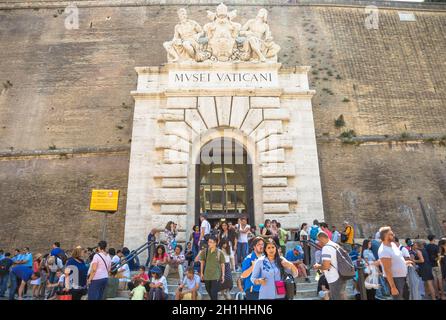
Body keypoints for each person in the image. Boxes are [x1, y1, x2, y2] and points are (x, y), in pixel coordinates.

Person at [378, 226, 413, 300]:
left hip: (402, 277)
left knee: (406, 297)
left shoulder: (393, 245)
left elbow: (397, 259)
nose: (393, 235)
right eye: (391, 234)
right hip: (395, 279)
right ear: (385, 236)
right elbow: (387, 270)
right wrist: (393, 287)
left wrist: (405, 263)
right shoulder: (383, 250)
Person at [313, 231, 348, 300]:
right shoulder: (336, 245)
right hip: (342, 275)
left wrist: (318, 267)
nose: (319, 243)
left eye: (319, 241)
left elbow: (326, 266)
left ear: (322, 239)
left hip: (334, 278)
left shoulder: (326, 248)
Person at [200, 236, 225, 300]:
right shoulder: (204, 252)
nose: (209, 243)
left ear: (215, 243)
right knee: (208, 290)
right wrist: (201, 273)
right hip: (207, 275)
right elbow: (202, 263)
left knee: (213, 292)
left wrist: (223, 275)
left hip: (216, 275)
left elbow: (222, 265)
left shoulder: (220, 252)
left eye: (211, 242)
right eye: (208, 242)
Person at [425, 235, 443, 299]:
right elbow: (439, 257)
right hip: (436, 265)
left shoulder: (426, 247)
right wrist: (438, 260)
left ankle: (437, 295)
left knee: (434, 281)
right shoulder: (436, 246)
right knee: (440, 280)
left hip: (430, 265)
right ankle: (443, 296)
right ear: (433, 239)